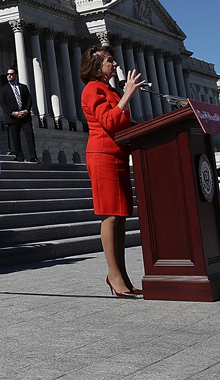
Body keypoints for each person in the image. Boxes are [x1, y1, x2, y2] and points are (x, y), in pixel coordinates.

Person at [80, 44, 144, 297]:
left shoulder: (109, 90)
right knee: (111, 215)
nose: (115, 64)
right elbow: (108, 121)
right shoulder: (92, 89)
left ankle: (121, 275)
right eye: (109, 61)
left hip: (117, 154)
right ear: (96, 66)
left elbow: (120, 122)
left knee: (121, 217)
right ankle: (114, 276)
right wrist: (128, 95)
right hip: (102, 155)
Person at [0, 66, 37, 162]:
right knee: (15, 138)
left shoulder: (23, 87)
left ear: (16, 75)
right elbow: (3, 103)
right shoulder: (4, 89)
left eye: (11, 74)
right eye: (8, 74)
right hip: (12, 117)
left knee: (29, 135)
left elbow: (29, 99)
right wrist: (13, 113)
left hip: (25, 116)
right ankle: (19, 156)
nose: (9, 76)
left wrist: (26, 110)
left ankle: (33, 156)